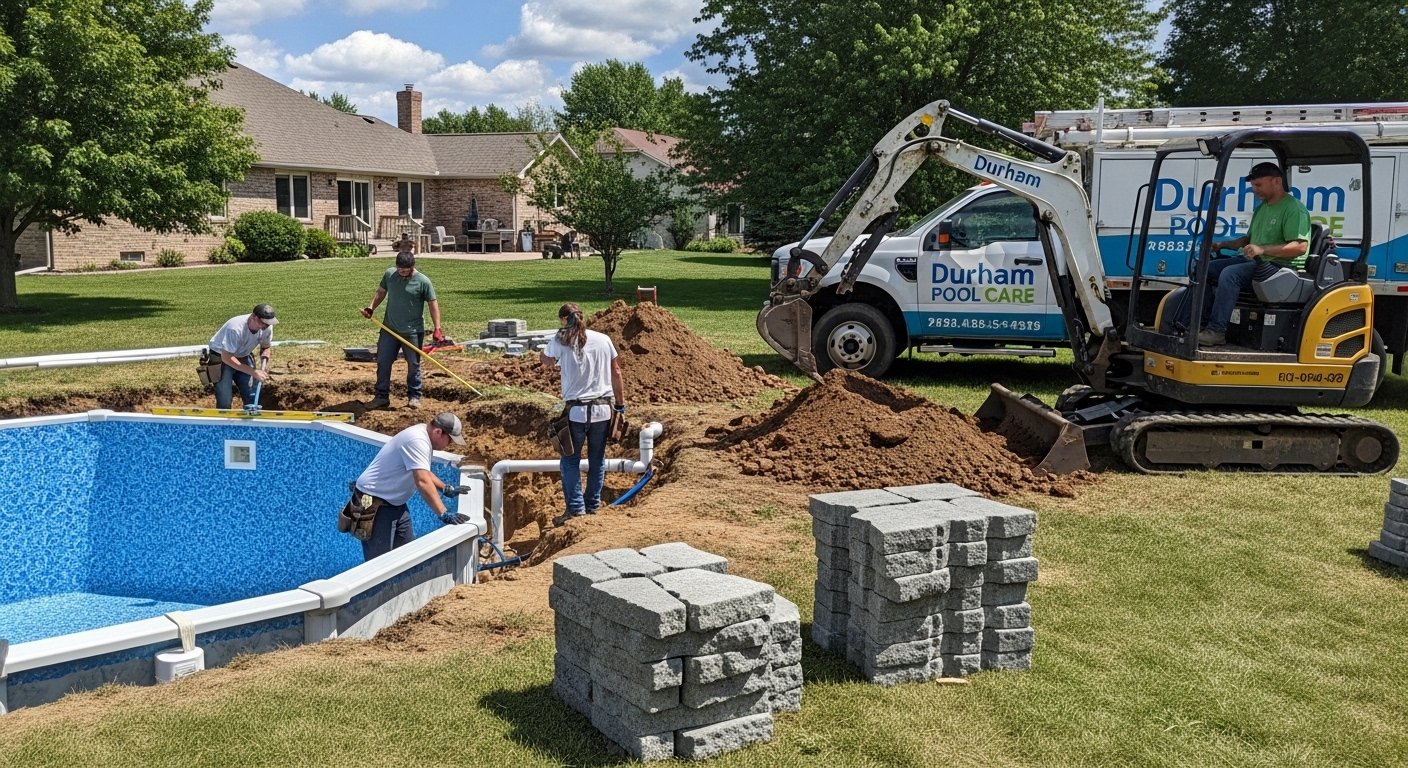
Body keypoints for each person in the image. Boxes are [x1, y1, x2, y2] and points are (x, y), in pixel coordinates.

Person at [1194, 162, 1312, 346]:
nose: (1254, 190)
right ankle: (1198, 324)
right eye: (1253, 186)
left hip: (1280, 267)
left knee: (1230, 274)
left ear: (1276, 181)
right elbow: (1248, 240)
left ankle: (1217, 331)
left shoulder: (1293, 209)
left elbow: (1299, 247)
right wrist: (1222, 244)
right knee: (1205, 269)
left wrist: (1263, 249)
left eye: (1258, 185)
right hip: (1258, 262)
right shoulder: (1262, 208)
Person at [539, 302, 626, 526]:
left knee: (570, 460)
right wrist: (620, 404)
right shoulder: (603, 339)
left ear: (565, 320)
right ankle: (593, 505)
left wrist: (549, 345)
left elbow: (546, 362)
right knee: (597, 460)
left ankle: (576, 509)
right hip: (603, 410)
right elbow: (616, 371)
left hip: (577, 411)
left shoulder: (561, 340)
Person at [350, 411, 468, 561]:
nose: (449, 445)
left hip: (394, 503)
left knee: (407, 555)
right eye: (450, 440)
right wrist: (443, 513)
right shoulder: (417, 440)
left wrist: (445, 488)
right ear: (439, 432)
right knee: (378, 563)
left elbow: (422, 470)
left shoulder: (423, 435)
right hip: (371, 502)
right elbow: (422, 480)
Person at [361, 251, 443, 409]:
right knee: (383, 362)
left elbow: (433, 304)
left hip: (412, 331)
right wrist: (371, 308)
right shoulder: (390, 275)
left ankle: (414, 397)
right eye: (400, 270)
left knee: (413, 365)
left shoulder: (423, 281)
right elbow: (381, 292)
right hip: (389, 329)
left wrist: (437, 328)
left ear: (413, 266)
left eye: (406, 271)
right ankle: (381, 397)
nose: (403, 273)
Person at [207, 303, 277, 409]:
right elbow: (226, 357)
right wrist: (253, 372)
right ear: (253, 317)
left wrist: (264, 360)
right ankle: (224, 422)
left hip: (243, 355)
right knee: (224, 399)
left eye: (267, 324)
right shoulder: (235, 328)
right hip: (221, 356)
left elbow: (265, 347)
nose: (264, 326)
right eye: (263, 323)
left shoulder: (267, 328)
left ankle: (251, 422)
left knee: (252, 396)